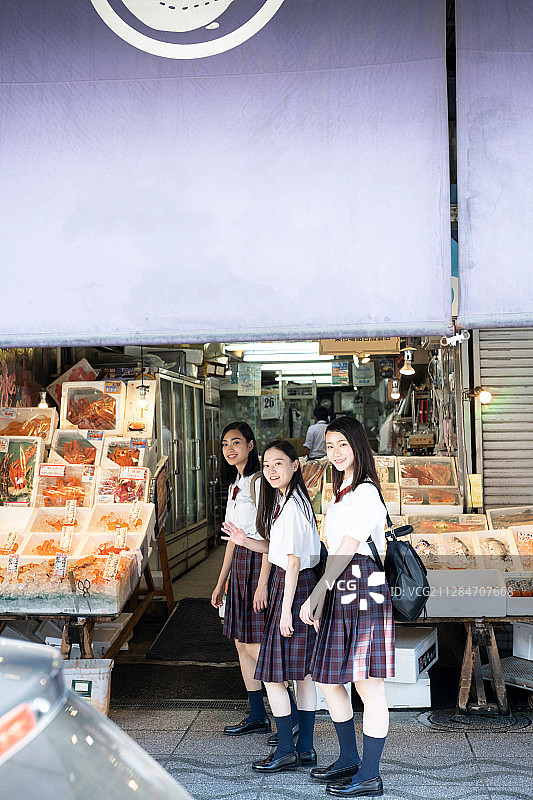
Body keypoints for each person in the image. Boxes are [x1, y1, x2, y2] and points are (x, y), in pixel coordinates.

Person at [300, 416, 395, 798]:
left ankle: (369, 774)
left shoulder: (366, 492)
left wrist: (317, 592)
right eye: (331, 444)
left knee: (368, 685)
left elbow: (348, 546)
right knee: (327, 677)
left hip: (361, 584)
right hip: (342, 583)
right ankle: (349, 760)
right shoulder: (340, 491)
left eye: (343, 444)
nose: (336, 452)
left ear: (358, 446)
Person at [222, 440, 321, 774]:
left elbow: (291, 562)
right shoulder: (289, 500)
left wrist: (283, 612)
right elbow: (276, 548)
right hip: (297, 587)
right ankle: (304, 749)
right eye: (266, 465)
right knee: (304, 676)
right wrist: (243, 540)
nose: (271, 471)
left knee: (273, 675)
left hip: (291, 588)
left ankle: (285, 750)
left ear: (295, 465)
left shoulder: (291, 506)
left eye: (278, 464)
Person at [211, 422, 276, 736]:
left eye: (236, 442)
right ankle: (257, 714)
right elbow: (232, 538)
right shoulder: (235, 484)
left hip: (257, 565)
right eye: (225, 444)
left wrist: (263, 583)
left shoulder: (259, 483)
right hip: (239, 565)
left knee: (256, 645)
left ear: (251, 445)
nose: (230, 449)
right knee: (240, 642)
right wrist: (220, 581)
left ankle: (288, 711)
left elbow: (269, 538)